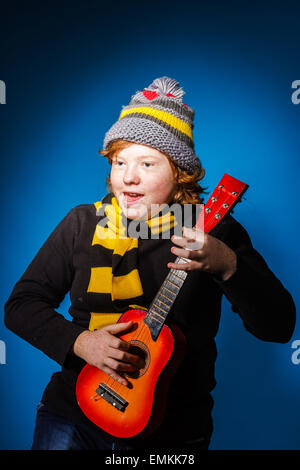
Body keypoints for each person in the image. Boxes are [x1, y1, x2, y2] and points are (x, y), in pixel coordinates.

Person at [4, 76, 296, 451]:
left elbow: (278, 325)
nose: (128, 177)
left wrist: (228, 265)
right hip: (73, 414)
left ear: (179, 173)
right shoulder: (82, 223)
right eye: (119, 161)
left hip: (171, 434)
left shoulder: (212, 228)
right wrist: (80, 342)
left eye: (147, 163)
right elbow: (21, 305)